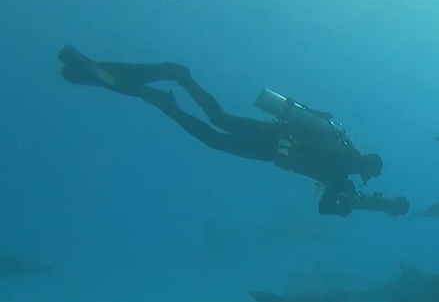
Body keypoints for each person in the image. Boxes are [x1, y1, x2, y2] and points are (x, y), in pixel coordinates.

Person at [57, 45, 409, 218]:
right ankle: (175, 86)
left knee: (216, 126)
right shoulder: (343, 154)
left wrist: (377, 205)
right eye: (371, 172)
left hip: (269, 149)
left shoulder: (343, 171)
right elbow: (302, 133)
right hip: (271, 143)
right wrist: (286, 154)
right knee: (217, 126)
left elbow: (336, 205)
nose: (368, 178)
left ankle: (173, 89)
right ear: (366, 164)